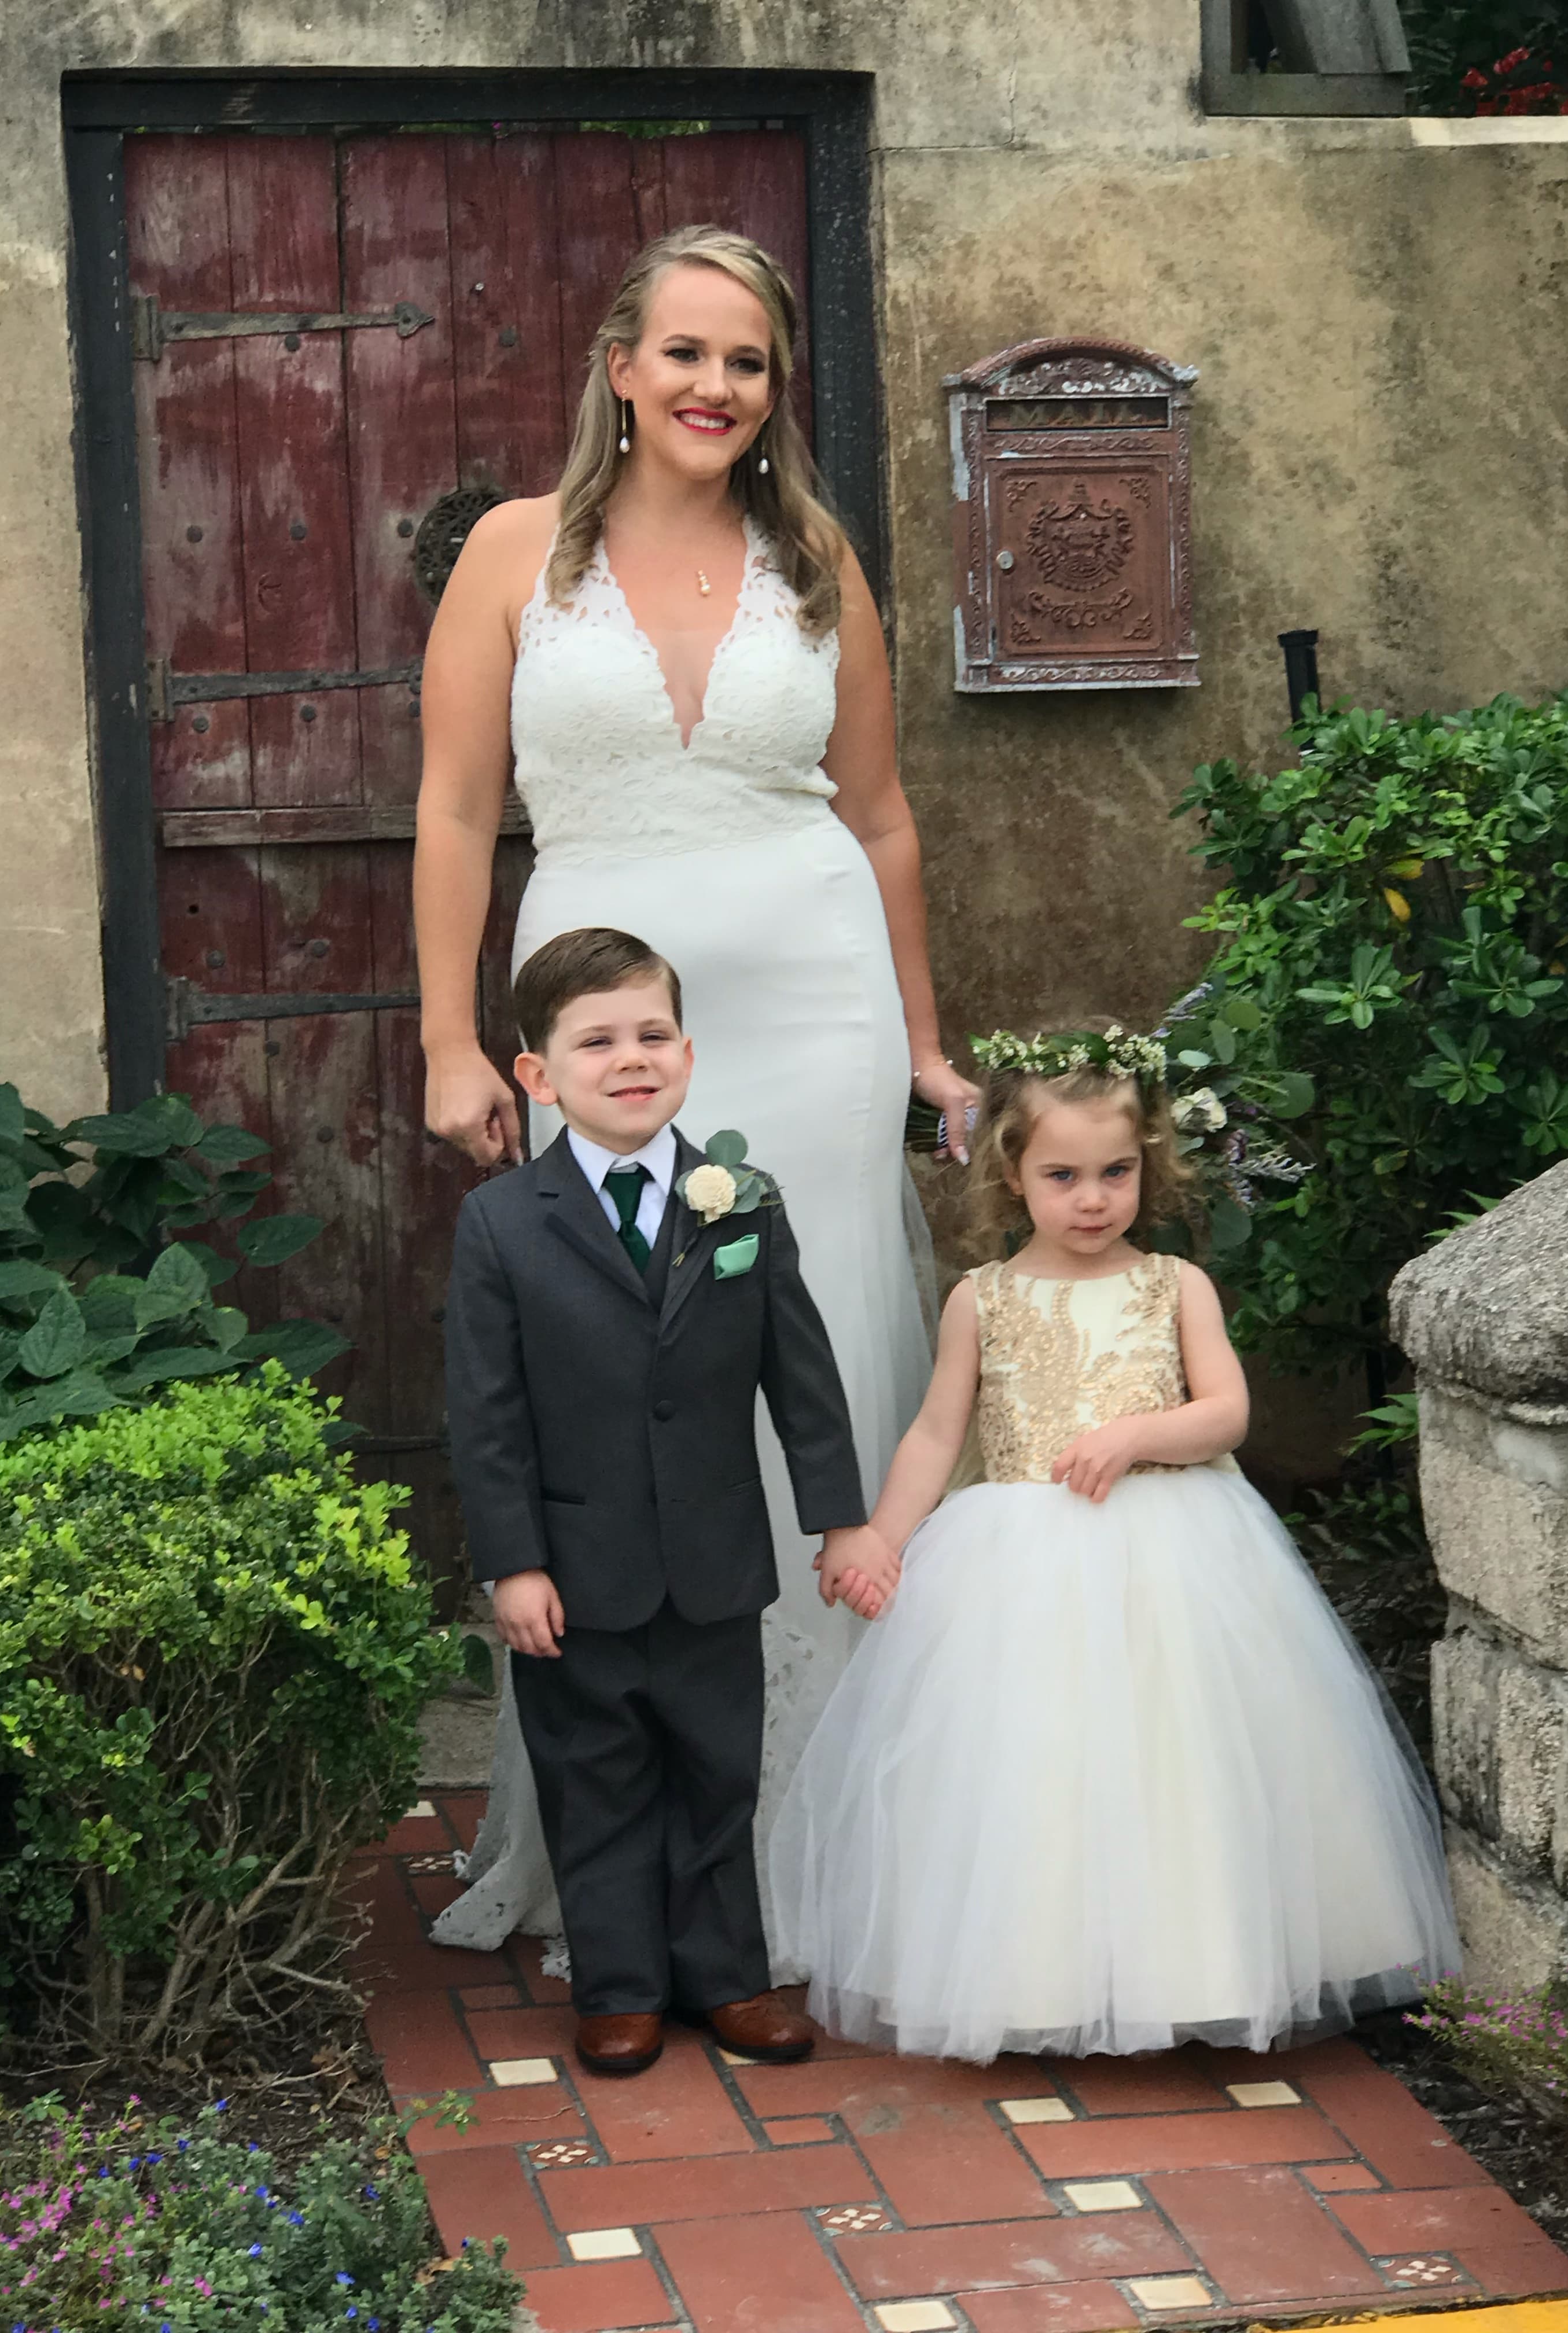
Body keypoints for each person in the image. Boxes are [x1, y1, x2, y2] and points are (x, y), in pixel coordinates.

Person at [415, 223, 975, 1959]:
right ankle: (625, 1855)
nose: (715, 388)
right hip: (602, 1000)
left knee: (810, 1369)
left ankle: (826, 1839)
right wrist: (452, 1041)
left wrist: (926, 1042)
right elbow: (453, 814)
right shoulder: (517, 552)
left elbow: (878, 819)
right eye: (686, 354)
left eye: (747, 364)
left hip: (811, 1008)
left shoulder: (815, 557)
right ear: (618, 361)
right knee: (607, 1387)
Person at [769, 1025, 1462, 2060]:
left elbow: (1225, 1414)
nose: (1092, 1198)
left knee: (1179, 1760)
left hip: (1174, 1558)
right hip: (1013, 1570)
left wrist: (1140, 1434)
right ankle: (1034, 1976)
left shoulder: (1175, 1286)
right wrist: (880, 1535)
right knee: (1032, 1765)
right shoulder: (981, 1301)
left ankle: (1199, 1967)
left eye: (1115, 1173)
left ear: (1150, 1166)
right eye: (1063, 1175)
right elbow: (933, 1435)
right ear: (1011, 1173)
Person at [443, 928, 897, 2075]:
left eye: (653, 1035)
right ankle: (621, 1987)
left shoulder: (739, 1200)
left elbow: (803, 1376)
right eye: (597, 1041)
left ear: (688, 1055)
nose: (630, 1059)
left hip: (713, 1560)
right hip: (575, 1570)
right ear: (539, 1077)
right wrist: (514, 1562)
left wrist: (840, 1517)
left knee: (715, 1771)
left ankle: (726, 1980)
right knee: (595, 1780)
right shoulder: (503, 1224)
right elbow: (487, 1413)